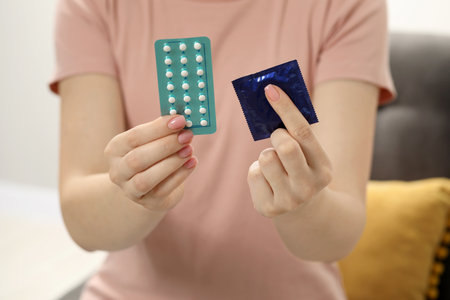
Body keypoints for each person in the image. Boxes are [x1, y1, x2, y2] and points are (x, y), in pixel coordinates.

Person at [50, 0, 395, 299]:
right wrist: (134, 192)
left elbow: (340, 234)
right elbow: (82, 221)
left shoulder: (346, 6)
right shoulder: (95, 5)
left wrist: (303, 205)